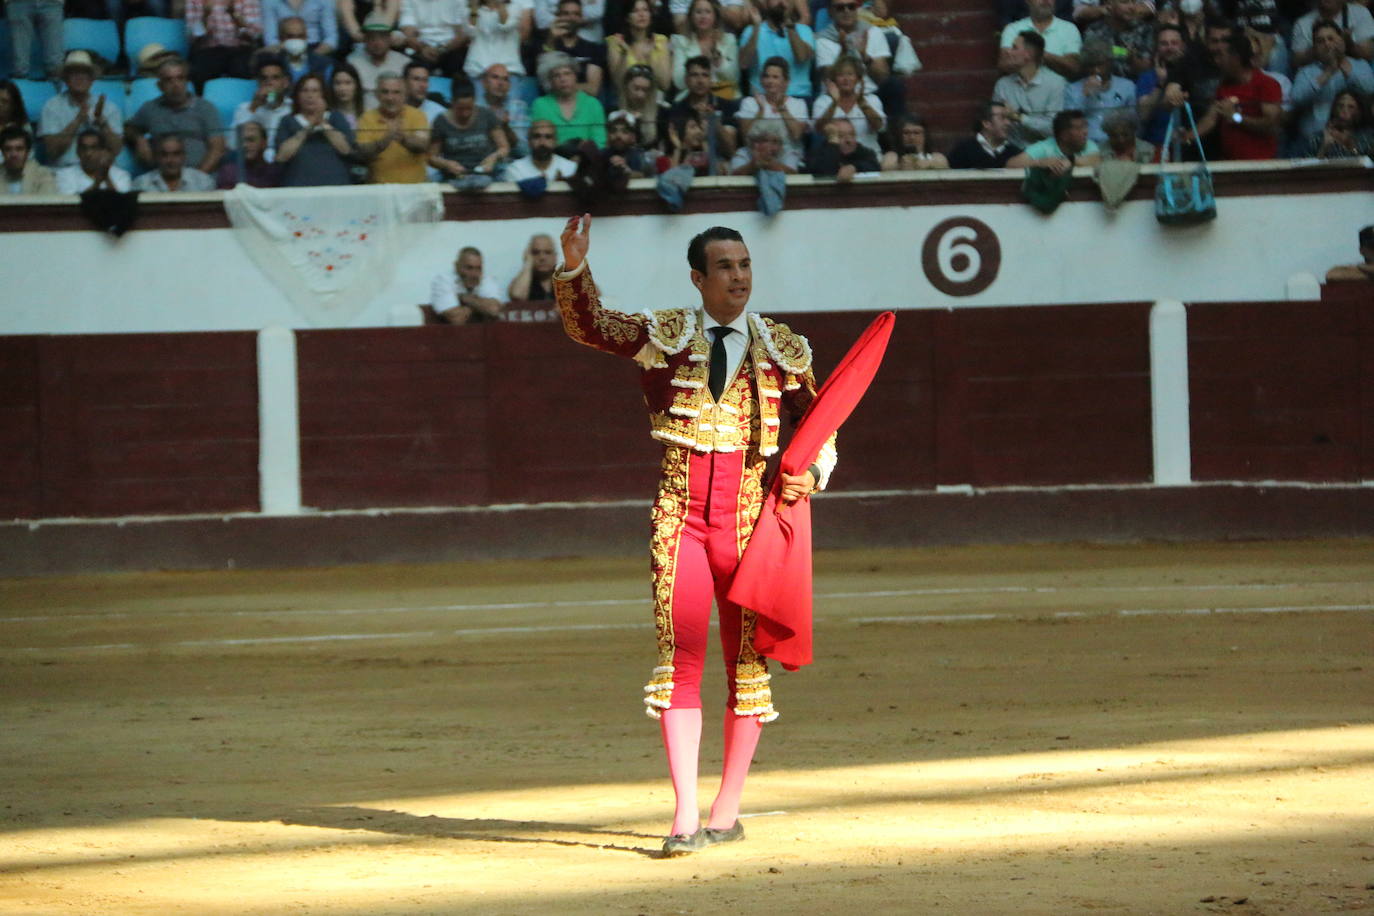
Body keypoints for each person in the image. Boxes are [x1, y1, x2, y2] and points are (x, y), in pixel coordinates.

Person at [552, 216, 836, 857]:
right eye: (726, 267)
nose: (739, 277)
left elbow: (821, 423)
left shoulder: (786, 348)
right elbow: (592, 326)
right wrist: (575, 271)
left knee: (747, 667)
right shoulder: (668, 336)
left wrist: (810, 470)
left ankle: (727, 810)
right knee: (678, 661)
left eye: (745, 265)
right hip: (680, 521)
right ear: (698, 279)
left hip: (748, 526)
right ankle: (684, 817)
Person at [1186, 30, 1281, 160]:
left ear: (1235, 58)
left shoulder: (1267, 84)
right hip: (1230, 164)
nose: (1216, 61)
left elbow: (1271, 124)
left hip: (1259, 166)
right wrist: (1186, 137)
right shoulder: (1224, 86)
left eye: (1221, 56)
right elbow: (1211, 119)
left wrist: (1235, 117)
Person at [126, 57, 227, 175]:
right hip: (162, 177)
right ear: (160, 86)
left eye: (180, 78)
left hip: (199, 177)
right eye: (169, 80)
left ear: (186, 82)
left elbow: (217, 148)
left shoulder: (205, 108)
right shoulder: (150, 108)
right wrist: (138, 138)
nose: (175, 85)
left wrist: (198, 177)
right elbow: (128, 128)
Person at [1290, 20, 1374, 142]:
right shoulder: (1306, 72)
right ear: (1314, 47)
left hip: (1355, 139)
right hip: (1313, 140)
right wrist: (1328, 72)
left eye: (1331, 39)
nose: (1327, 44)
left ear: (1341, 41)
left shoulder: (1360, 65)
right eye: (1320, 41)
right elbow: (1296, 98)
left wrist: (1342, 63)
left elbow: (1370, 90)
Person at [40, 51, 125, 171]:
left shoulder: (109, 107)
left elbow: (116, 149)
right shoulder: (51, 106)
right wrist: (77, 121)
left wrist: (103, 124)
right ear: (66, 79)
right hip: (64, 171)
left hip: (100, 170)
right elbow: (52, 151)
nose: (79, 77)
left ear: (92, 79)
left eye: (84, 73)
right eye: (74, 73)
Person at [275, 72, 358, 185]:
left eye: (315, 91)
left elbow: (346, 149)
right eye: (305, 90)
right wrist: (308, 127)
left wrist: (322, 123)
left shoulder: (336, 117)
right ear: (297, 95)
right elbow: (281, 156)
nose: (310, 96)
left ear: (323, 94)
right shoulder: (287, 121)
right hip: (298, 187)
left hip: (335, 186)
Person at [994, 30, 1068, 147]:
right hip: (1010, 151)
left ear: (1028, 54)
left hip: (1047, 152)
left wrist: (1019, 118)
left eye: (1014, 48)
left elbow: (1055, 129)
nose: (1008, 51)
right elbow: (996, 126)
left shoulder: (1056, 83)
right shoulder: (1002, 85)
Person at [429, 77, 510, 180]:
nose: (465, 114)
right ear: (452, 102)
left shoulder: (486, 115)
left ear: (474, 101)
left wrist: (493, 158)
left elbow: (504, 147)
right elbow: (431, 157)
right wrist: (446, 164)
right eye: (460, 109)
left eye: (469, 108)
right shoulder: (441, 121)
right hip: (454, 175)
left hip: (486, 172)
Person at [735, 56, 809, 168]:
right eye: (766, 76)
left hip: (787, 153)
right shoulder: (750, 102)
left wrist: (782, 109)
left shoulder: (798, 104)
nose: (770, 81)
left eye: (775, 77)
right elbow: (745, 135)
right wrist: (760, 111)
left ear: (786, 82)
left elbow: (796, 135)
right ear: (761, 80)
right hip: (755, 152)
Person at [357, 72, 432, 181]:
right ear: (376, 95)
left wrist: (402, 138)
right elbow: (362, 152)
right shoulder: (367, 118)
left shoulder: (417, 115)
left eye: (396, 92)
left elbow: (422, 146)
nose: (390, 97)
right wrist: (385, 140)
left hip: (416, 187)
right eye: (385, 92)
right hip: (380, 189)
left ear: (405, 95)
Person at [810, 54, 885, 156]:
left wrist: (862, 103)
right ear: (834, 80)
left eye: (850, 74)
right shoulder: (823, 101)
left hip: (868, 155)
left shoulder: (872, 99)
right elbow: (818, 128)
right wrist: (834, 104)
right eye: (841, 75)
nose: (846, 79)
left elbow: (879, 126)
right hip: (835, 156)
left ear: (858, 79)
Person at [667, 55, 740, 159]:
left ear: (711, 80)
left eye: (705, 75)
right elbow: (673, 149)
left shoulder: (727, 106)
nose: (700, 80)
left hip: (720, 165)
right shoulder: (675, 110)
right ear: (686, 79)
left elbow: (731, 150)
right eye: (694, 75)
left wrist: (715, 123)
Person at [738, 0, 815, 98]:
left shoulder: (804, 30)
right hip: (760, 97)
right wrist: (756, 28)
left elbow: (802, 57)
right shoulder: (751, 30)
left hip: (797, 96)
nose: (782, 2)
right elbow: (744, 64)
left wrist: (789, 26)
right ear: (766, 3)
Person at [814, 0, 891, 98]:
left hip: (868, 94)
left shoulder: (873, 32)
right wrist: (844, 51)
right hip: (835, 97)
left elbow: (882, 76)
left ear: (857, 9)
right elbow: (829, 77)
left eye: (851, 6)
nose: (847, 11)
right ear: (830, 11)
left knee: (894, 85)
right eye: (840, 8)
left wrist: (864, 55)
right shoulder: (822, 39)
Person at [530, 52, 608, 146]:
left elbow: (600, 142)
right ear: (550, 81)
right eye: (556, 76)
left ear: (575, 76)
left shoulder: (593, 104)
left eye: (567, 73)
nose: (563, 79)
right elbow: (540, 140)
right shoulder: (540, 105)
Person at [1063, 47, 1137, 143]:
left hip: (1117, 143)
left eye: (1100, 64)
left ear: (1110, 63)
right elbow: (1068, 122)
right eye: (1091, 65)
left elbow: (1134, 120)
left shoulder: (1127, 86)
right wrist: (1084, 96)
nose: (1096, 70)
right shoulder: (1072, 88)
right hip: (1085, 144)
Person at [671, 0, 741, 101]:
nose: (703, 16)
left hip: (725, 97)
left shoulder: (728, 39)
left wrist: (719, 62)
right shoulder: (681, 42)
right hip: (690, 98)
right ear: (691, 16)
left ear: (715, 16)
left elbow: (734, 77)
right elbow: (678, 81)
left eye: (708, 12)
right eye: (698, 12)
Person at [607, 0, 673, 103]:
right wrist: (624, 54)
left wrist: (649, 56)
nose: (641, 14)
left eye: (645, 10)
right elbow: (618, 83)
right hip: (625, 102)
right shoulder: (616, 42)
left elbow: (665, 84)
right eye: (635, 11)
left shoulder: (660, 41)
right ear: (627, 17)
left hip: (656, 102)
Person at [185, 0, 264, 85]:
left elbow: (256, 34)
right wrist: (205, 15)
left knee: (242, 67)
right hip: (209, 50)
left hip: (240, 49)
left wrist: (235, 16)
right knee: (200, 69)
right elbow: (192, 37)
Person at [1000, 0, 1082, 80]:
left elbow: (1073, 67)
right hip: (1020, 89)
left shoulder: (1069, 29)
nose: (1046, 1)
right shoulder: (1013, 29)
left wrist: (1036, 53)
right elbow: (1004, 64)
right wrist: (1054, 60)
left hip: (1058, 91)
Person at [540, 0, 607, 97]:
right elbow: (544, 82)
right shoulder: (547, 44)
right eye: (565, 13)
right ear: (557, 16)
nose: (571, 18)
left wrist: (561, 86)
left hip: (584, 105)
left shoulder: (594, 49)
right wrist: (551, 40)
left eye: (576, 14)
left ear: (581, 18)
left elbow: (593, 89)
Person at [349, 11, 414, 104]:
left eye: (382, 37)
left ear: (390, 38)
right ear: (365, 39)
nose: (377, 43)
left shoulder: (404, 63)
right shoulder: (352, 63)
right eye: (372, 37)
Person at [231, 55, 294, 152]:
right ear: (258, 83)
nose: (269, 83)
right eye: (264, 78)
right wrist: (253, 107)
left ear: (285, 82)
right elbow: (232, 143)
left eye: (275, 78)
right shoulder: (245, 108)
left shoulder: (294, 108)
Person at [462, 0, 534, 81]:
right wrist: (474, 8)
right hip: (477, 69)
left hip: (509, 70)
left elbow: (506, 26)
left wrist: (500, 4)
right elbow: (470, 32)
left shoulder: (514, 7)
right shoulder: (470, 9)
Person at [1291, 0, 1374, 70]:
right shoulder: (1302, 23)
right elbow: (1296, 61)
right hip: (1320, 77)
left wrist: (1349, 44)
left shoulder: (1361, 13)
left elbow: (1368, 53)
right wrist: (1319, 45)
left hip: (1354, 73)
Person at [1007, 107, 1102, 167]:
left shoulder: (1088, 144)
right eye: (1078, 128)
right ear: (1064, 135)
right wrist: (1040, 163)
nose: (1085, 132)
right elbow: (1011, 164)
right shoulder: (1045, 146)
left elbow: (1097, 159)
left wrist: (1070, 161)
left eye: (1085, 126)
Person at [431, 246, 505, 322]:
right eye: (469, 268)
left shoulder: (486, 279)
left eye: (478, 268)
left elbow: (494, 310)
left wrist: (464, 298)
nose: (474, 274)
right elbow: (457, 319)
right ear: (456, 266)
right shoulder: (443, 281)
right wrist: (481, 306)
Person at [1083, 0, 1155, 79]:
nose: (1132, 7)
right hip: (1103, 84)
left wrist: (1131, 58)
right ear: (1109, 4)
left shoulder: (1144, 29)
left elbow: (1146, 69)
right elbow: (1092, 65)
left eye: (1134, 2)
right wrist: (1124, 52)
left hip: (1138, 86)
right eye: (1124, 2)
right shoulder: (1094, 30)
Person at [400, 0, 470, 77]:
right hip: (420, 46)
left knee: (458, 60)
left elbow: (462, 34)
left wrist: (443, 50)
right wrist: (423, 48)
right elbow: (408, 30)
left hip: (450, 47)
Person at [947, 100, 1022, 168]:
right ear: (986, 123)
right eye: (1002, 117)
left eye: (1009, 119)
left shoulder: (1016, 154)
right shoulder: (963, 150)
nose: (1008, 123)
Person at [133, 133, 219, 191]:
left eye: (176, 154)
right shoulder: (141, 184)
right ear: (156, 157)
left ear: (184, 156)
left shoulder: (203, 182)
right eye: (164, 155)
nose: (171, 160)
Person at [56, 128, 133, 193]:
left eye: (94, 148)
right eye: (84, 148)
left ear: (103, 151)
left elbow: (122, 204)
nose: (88, 153)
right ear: (77, 152)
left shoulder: (121, 176)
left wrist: (106, 177)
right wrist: (97, 183)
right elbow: (71, 206)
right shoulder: (64, 175)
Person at [477, 63, 530, 155]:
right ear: (484, 82)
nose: (500, 83)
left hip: (511, 164)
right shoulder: (474, 108)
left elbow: (524, 151)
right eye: (495, 77)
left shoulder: (518, 107)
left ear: (509, 85)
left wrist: (506, 128)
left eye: (505, 79)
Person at [808, 114, 880, 180]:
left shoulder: (863, 151)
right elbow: (825, 172)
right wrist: (833, 144)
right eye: (841, 136)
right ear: (830, 139)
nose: (848, 140)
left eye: (852, 135)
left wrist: (854, 167)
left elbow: (874, 165)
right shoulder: (819, 152)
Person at [6, 0, 63, 81]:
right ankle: (19, 88)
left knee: (55, 63)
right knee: (19, 64)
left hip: (53, 3)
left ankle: (58, 89)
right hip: (17, 3)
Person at [505, 118, 577, 180]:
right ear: (529, 141)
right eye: (537, 137)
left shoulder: (570, 169)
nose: (542, 143)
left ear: (556, 142)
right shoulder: (515, 170)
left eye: (548, 137)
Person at [270, 15, 337, 82]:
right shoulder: (271, 65)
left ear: (306, 37)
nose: (296, 40)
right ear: (281, 39)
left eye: (300, 36)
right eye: (290, 37)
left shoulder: (324, 64)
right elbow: (271, 92)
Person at [1307, 88, 1372, 156]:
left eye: (1351, 107)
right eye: (1340, 106)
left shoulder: (1367, 138)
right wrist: (1325, 147)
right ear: (1334, 109)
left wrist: (1350, 146)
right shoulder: (1316, 139)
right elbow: (1307, 165)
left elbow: (1368, 163)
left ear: (1359, 112)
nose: (1344, 111)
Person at [217, 120, 284, 186]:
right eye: (241, 141)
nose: (244, 145)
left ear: (264, 143)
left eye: (251, 140)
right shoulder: (228, 173)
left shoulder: (274, 173)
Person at [262, 0, 338, 57]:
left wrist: (313, 57)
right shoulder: (270, 1)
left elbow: (331, 38)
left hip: (315, 47)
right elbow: (271, 39)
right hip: (282, 49)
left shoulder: (324, 1)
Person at [1, 126, 58, 194]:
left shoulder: (43, 175)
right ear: (2, 151)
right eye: (8, 149)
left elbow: (47, 203)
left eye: (19, 149)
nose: (14, 154)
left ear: (28, 152)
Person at [728, 117, 797, 173]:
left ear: (781, 144)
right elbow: (734, 175)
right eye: (764, 141)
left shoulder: (788, 152)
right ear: (753, 143)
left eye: (775, 142)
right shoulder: (743, 152)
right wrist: (753, 165)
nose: (770, 147)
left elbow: (793, 174)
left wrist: (770, 164)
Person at [881, 113, 948, 169]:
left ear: (925, 135)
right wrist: (900, 165)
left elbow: (943, 163)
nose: (912, 137)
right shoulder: (892, 156)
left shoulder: (935, 157)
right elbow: (886, 166)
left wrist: (928, 164)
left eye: (916, 133)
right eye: (906, 133)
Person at [507, 232, 558, 300]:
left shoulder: (567, 279)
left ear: (555, 257)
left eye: (547, 252)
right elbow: (517, 296)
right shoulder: (524, 279)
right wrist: (527, 264)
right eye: (536, 253)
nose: (542, 257)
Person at [331, 62, 367, 126]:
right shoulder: (327, 115)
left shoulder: (367, 112)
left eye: (348, 83)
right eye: (337, 83)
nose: (342, 88)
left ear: (356, 85)